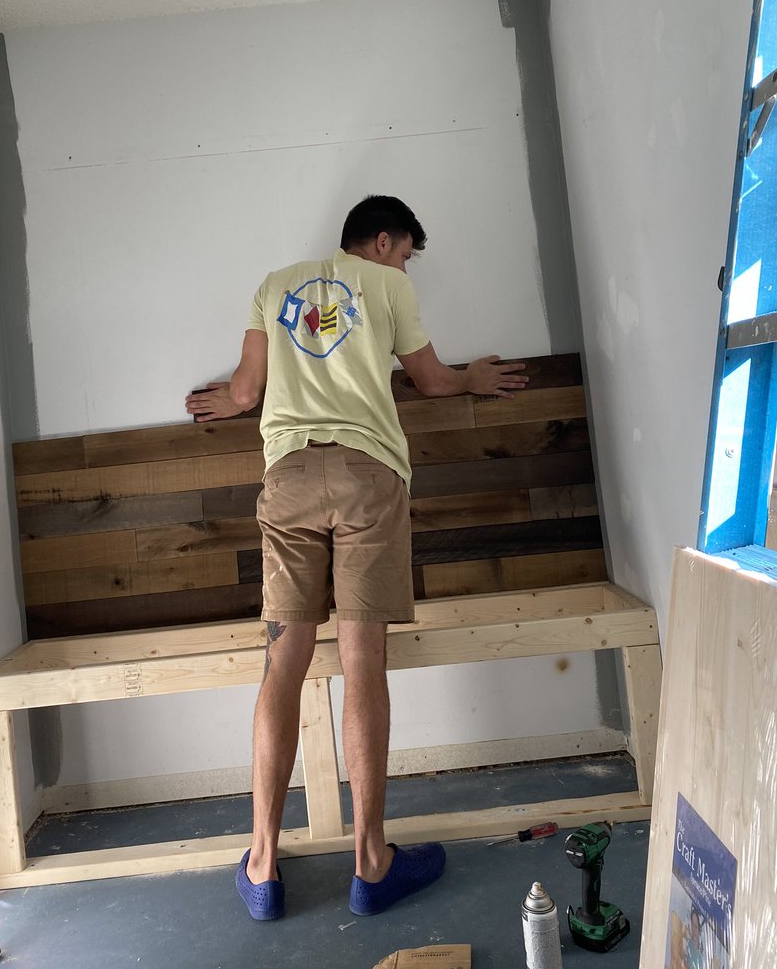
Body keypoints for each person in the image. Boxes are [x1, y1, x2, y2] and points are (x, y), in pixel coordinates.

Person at [185, 195, 527, 921]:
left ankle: (264, 865)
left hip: (287, 480)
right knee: (362, 663)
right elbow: (433, 381)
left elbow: (248, 392)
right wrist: (474, 378)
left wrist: (223, 400)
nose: (405, 266)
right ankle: (371, 864)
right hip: (369, 478)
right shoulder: (389, 287)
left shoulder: (272, 284)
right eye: (404, 253)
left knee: (283, 666)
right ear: (382, 242)